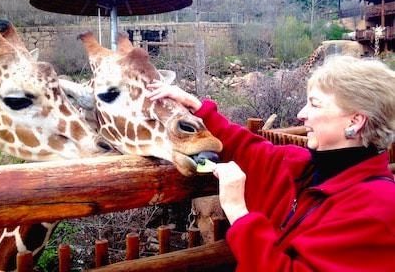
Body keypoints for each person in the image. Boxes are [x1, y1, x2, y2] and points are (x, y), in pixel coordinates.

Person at [147, 55, 395, 271]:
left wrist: (239, 214)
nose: (301, 114)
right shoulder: (304, 167)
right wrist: (199, 109)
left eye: (314, 104)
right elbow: (248, 149)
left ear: (355, 121)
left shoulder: (377, 207)